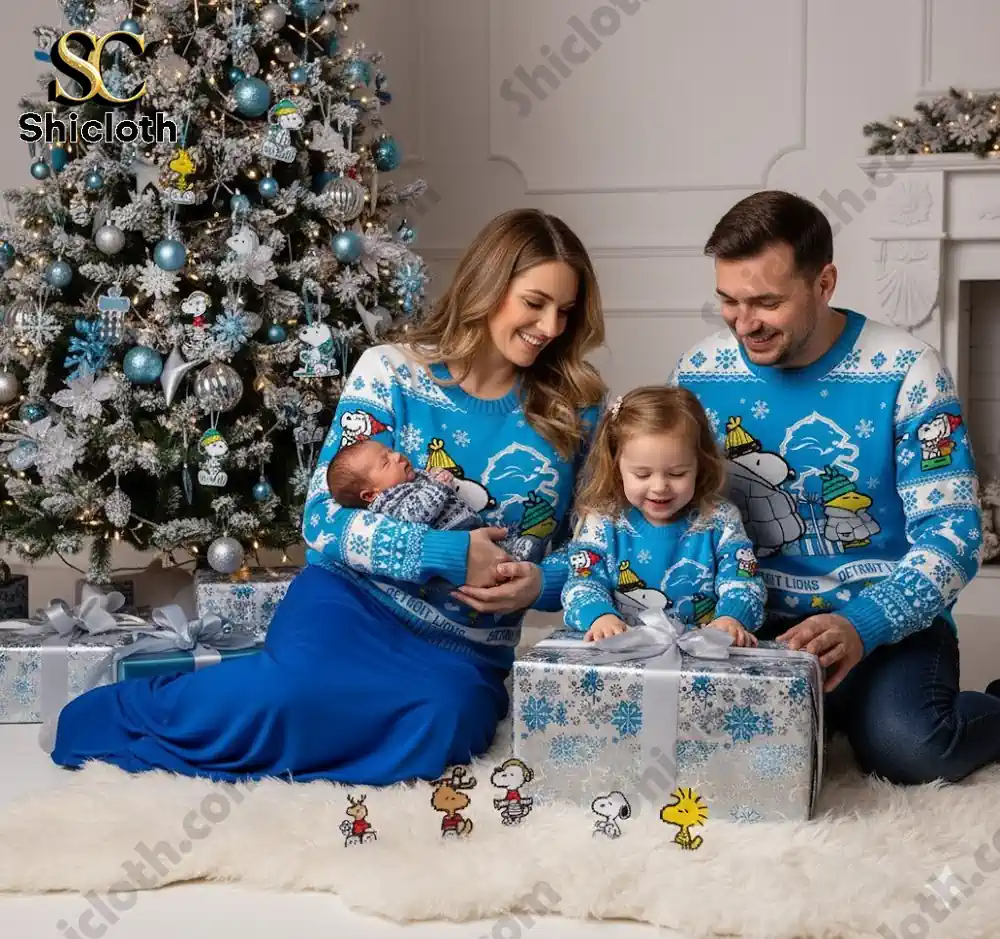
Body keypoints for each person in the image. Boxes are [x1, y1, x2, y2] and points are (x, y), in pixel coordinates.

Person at [51, 208, 606, 785]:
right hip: (352, 606)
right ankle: (123, 711)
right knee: (285, 699)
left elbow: (596, 551)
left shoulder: (579, 410)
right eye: (535, 302)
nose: (550, 326)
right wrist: (446, 553)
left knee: (445, 728)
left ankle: (291, 725)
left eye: (566, 311)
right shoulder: (391, 373)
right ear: (488, 286)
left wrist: (540, 584)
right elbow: (322, 521)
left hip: (461, 649)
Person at [671, 189, 1000, 785]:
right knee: (702, 748)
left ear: (824, 284)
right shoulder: (697, 372)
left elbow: (954, 534)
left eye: (767, 302)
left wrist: (863, 625)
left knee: (912, 750)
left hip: (884, 623)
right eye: (728, 301)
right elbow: (673, 513)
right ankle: (838, 712)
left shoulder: (908, 369)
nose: (744, 324)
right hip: (745, 621)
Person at [563, 386, 764, 648]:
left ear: (700, 465)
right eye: (642, 474)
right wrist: (600, 617)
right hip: (622, 655)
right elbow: (582, 582)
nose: (659, 487)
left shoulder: (720, 520)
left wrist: (731, 617)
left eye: (677, 473)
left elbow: (742, 579)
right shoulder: (602, 522)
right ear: (616, 466)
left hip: (702, 656)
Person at [325, 438, 536, 560]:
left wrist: (436, 475)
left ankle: (513, 545)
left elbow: (430, 486)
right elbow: (416, 513)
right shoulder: (389, 503)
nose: (397, 456)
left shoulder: (409, 480)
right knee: (489, 555)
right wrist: (439, 485)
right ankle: (512, 556)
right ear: (371, 494)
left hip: (468, 525)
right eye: (385, 462)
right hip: (455, 540)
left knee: (496, 540)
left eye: (390, 452)